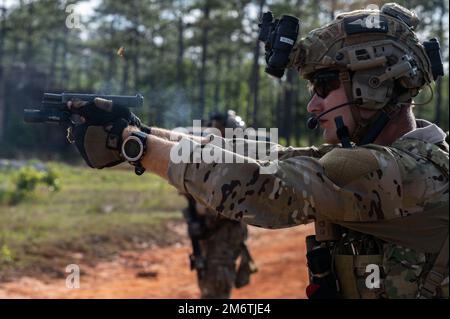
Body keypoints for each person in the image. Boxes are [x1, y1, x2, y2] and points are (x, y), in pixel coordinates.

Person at [67, 3, 448, 299]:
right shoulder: (397, 161)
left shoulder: (405, 175)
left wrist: (135, 146)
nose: (313, 106)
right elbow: (269, 157)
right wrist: (145, 133)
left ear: (375, 84)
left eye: (324, 87)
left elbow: (266, 188)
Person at [182, 110, 257, 299]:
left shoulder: (240, 165)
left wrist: (203, 211)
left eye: (219, 132)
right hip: (210, 235)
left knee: (216, 289)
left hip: (225, 236)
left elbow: (233, 205)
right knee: (208, 284)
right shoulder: (213, 160)